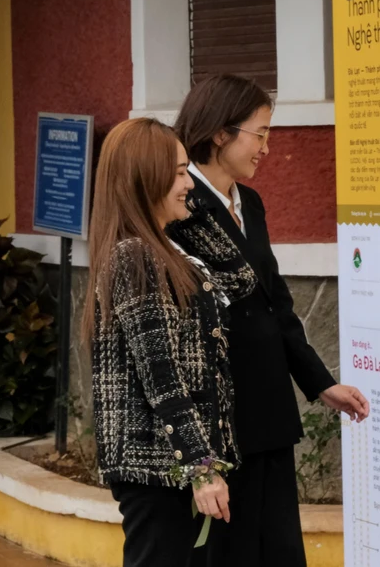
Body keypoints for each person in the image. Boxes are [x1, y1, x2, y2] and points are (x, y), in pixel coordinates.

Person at [171, 74, 370, 565]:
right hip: (222, 417)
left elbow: (276, 303)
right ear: (221, 133)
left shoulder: (250, 203)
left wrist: (320, 383)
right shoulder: (177, 205)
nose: (266, 146)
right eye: (260, 133)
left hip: (269, 411)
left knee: (279, 548)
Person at [83, 118, 259, 566]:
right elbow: (162, 376)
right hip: (159, 469)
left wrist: (184, 203)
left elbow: (240, 280)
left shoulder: (164, 247)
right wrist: (203, 469)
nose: (189, 184)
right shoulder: (135, 255)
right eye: (179, 173)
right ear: (147, 178)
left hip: (176, 467)